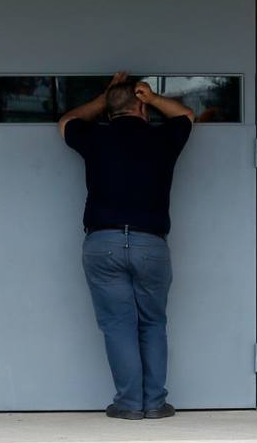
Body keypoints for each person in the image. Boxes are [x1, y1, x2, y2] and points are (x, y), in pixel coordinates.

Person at [59, 72, 195, 420]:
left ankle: (130, 403)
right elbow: (185, 116)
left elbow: (68, 121)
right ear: (143, 109)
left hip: (103, 243)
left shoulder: (94, 137)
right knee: (152, 323)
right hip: (151, 243)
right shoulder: (163, 137)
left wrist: (106, 97)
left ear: (108, 111)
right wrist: (151, 97)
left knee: (118, 325)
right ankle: (155, 403)